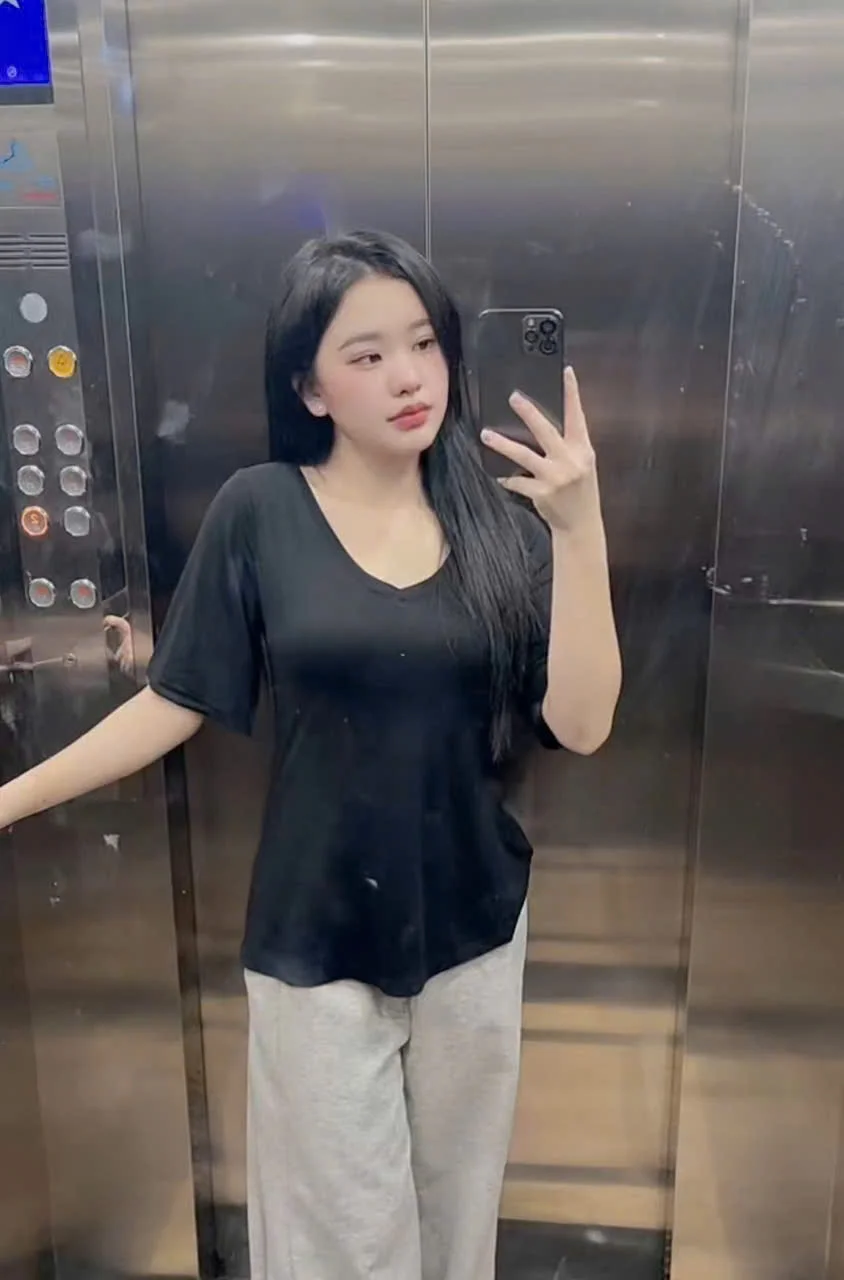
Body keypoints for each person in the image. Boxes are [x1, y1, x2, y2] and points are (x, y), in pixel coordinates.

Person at [0, 230, 621, 1280]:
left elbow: (584, 721)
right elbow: (174, 701)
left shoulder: (502, 524)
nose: (408, 376)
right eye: (366, 354)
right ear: (311, 387)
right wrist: (9, 796)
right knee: (342, 1248)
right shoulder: (260, 511)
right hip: (314, 937)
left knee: (457, 1231)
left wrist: (580, 528)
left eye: (422, 343)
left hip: (473, 928)